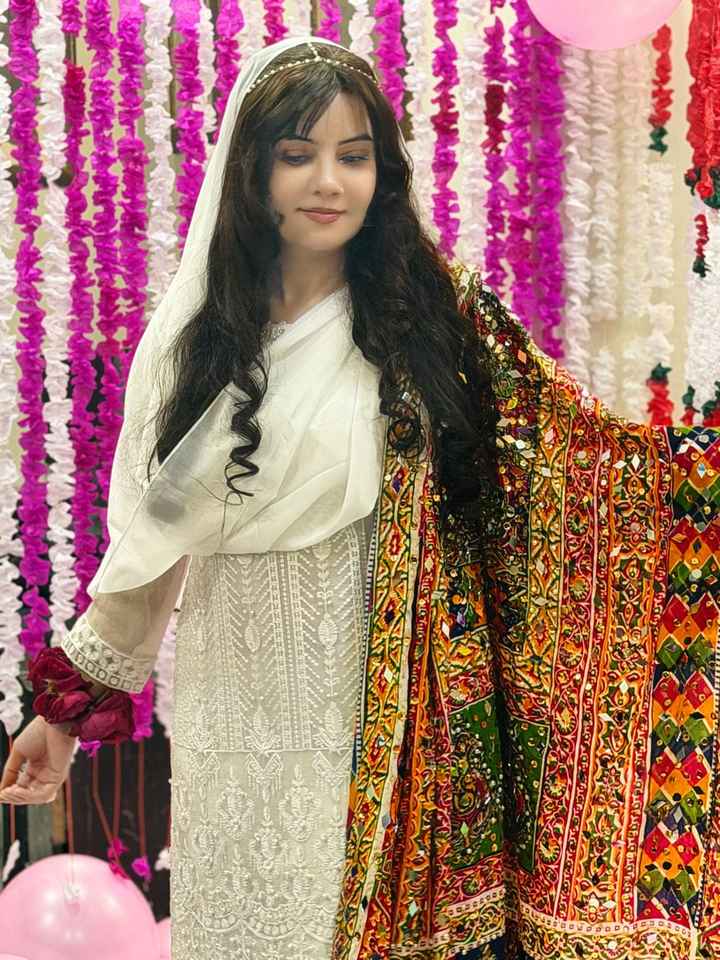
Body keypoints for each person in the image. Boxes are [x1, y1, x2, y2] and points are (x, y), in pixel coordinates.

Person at [1, 34, 719, 960]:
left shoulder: (433, 322)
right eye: (297, 155)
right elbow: (150, 551)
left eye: (353, 156)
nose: (327, 183)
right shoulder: (191, 342)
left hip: (392, 733)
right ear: (252, 170)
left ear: (383, 172)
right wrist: (63, 718)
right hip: (234, 721)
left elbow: (577, 468)